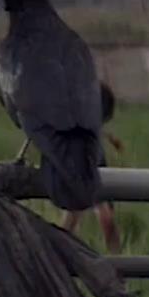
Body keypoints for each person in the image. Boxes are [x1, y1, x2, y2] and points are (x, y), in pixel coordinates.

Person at [61, 81, 124, 253]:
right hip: (80, 167)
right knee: (72, 219)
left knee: (106, 219)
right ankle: (63, 258)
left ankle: (117, 263)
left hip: (95, 166)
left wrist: (111, 138)